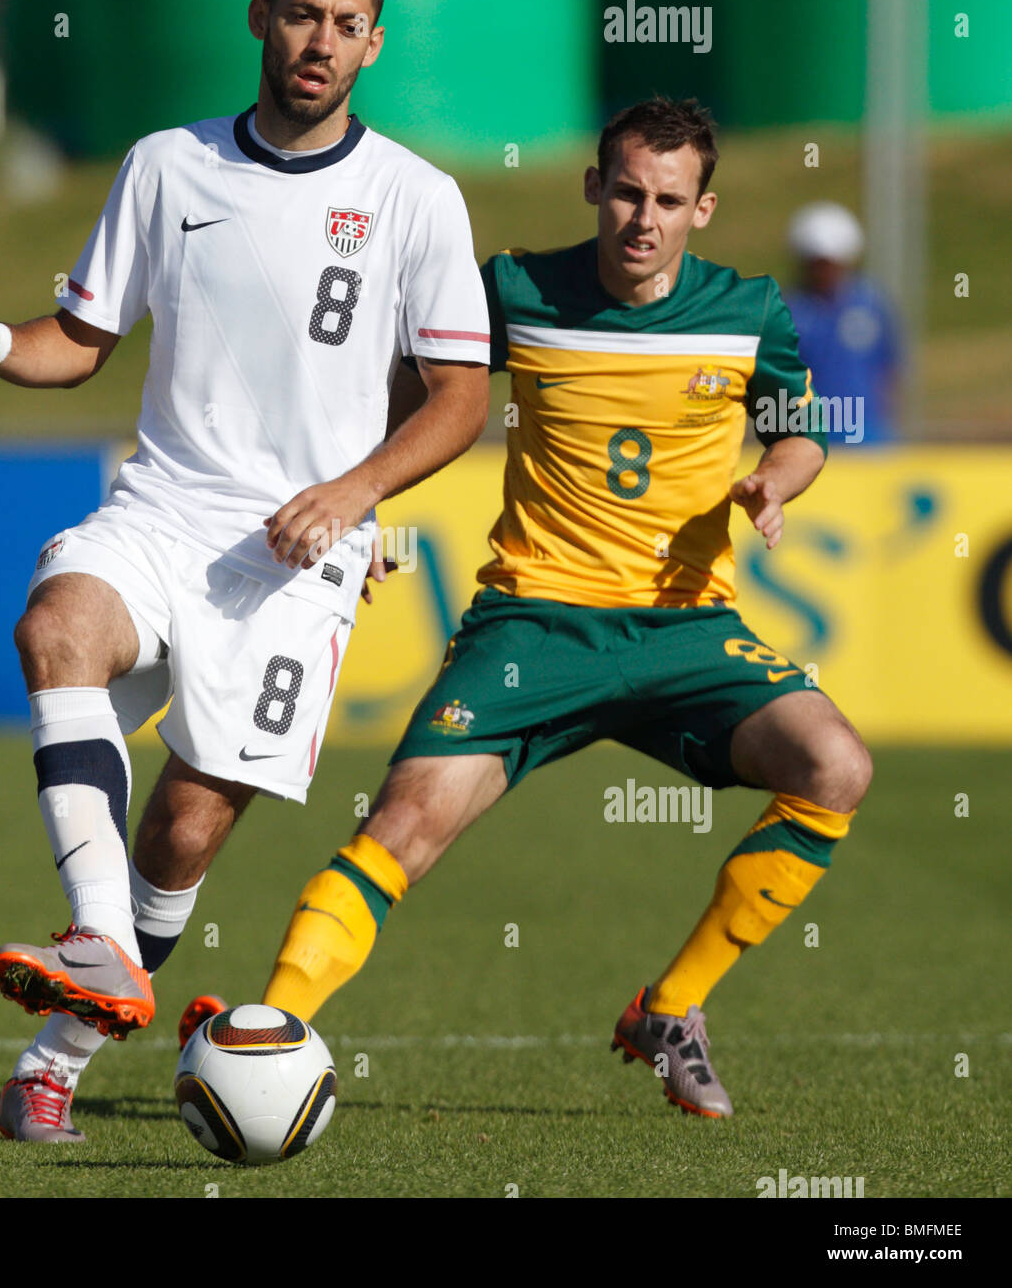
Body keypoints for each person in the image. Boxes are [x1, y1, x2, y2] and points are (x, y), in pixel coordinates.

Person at [0, 0, 491, 1142]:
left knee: (180, 828)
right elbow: (83, 340)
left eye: (345, 24)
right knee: (56, 627)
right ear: (258, 17)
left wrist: (354, 492)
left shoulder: (418, 199)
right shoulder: (166, 166)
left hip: (301, 556)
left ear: (374, 43)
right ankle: (104, 944)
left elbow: (462, 400)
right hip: (166, 506)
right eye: (299, 14)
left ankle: (54, 1056)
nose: (319, 41)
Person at [256, 97, 873, 1118]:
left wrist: (776, 479)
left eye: (669, 200)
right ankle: (268, 1029)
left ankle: (671, 1008)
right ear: (593, 185)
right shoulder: (515, 289)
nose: (644, 217)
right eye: (627, 191)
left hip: (687, 631)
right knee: (404, 820)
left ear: (703, 209)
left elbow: (798, 433)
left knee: (837, 765)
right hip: (532, 624)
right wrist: (357, 507)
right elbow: (417, 398)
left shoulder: (750, 308)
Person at [785, 201, 902, 443]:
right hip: (806, 436)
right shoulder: (788, 310)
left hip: (868, 435)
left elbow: (889, 367)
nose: (825, 272)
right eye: (817, 264)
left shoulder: (871, 305)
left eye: (832, 263)